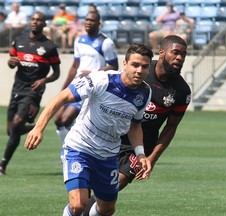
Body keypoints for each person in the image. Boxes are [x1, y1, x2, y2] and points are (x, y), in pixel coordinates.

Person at [24, 43, 154, 216]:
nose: (139, 70)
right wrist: (38, 128)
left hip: (108, 156)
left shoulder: (145, 93)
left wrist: (141, 154)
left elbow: (135, 125)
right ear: (125, 64)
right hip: (80, 148)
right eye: (135, 65)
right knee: (78, 204)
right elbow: (61, 97)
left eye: (144, 67)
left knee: (107, 209)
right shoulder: (102, 80)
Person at [83, 35, 191, 216]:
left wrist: (152, 158)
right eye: (175, 53)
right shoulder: (141, 71)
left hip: (139, 147)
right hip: (111, 135)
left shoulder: (181, 90)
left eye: (183, 54)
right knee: (84, 190)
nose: (180, 58)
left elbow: (171, 127)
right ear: (162, 52)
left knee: (113, 188)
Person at [0, 11, 61, 176]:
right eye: (33, 19)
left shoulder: (49, 47)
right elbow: (12, 61)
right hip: (17, 88)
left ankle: (2, 165)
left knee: (17, 123)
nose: (35, 22)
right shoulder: (19, 41)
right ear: (30, 22)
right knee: (11, 130)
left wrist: (44, 81)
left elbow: (56, 73)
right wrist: (10, 62)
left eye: (39, 20)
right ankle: (36, 126)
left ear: (44, 24)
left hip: (33, 91)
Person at [54, 11, 119, 145]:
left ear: (99, 23)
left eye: (92, 20)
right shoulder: (79, 40)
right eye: (87, 20)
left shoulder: (105, 42)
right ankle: (66, 150)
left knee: (66, 119)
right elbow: (74, 66)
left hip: (89, 87)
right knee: (57, 120)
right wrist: (64, 88)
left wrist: (93, 72)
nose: (89, 23)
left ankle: (72, 150)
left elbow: (114, 66)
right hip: (75, 85)